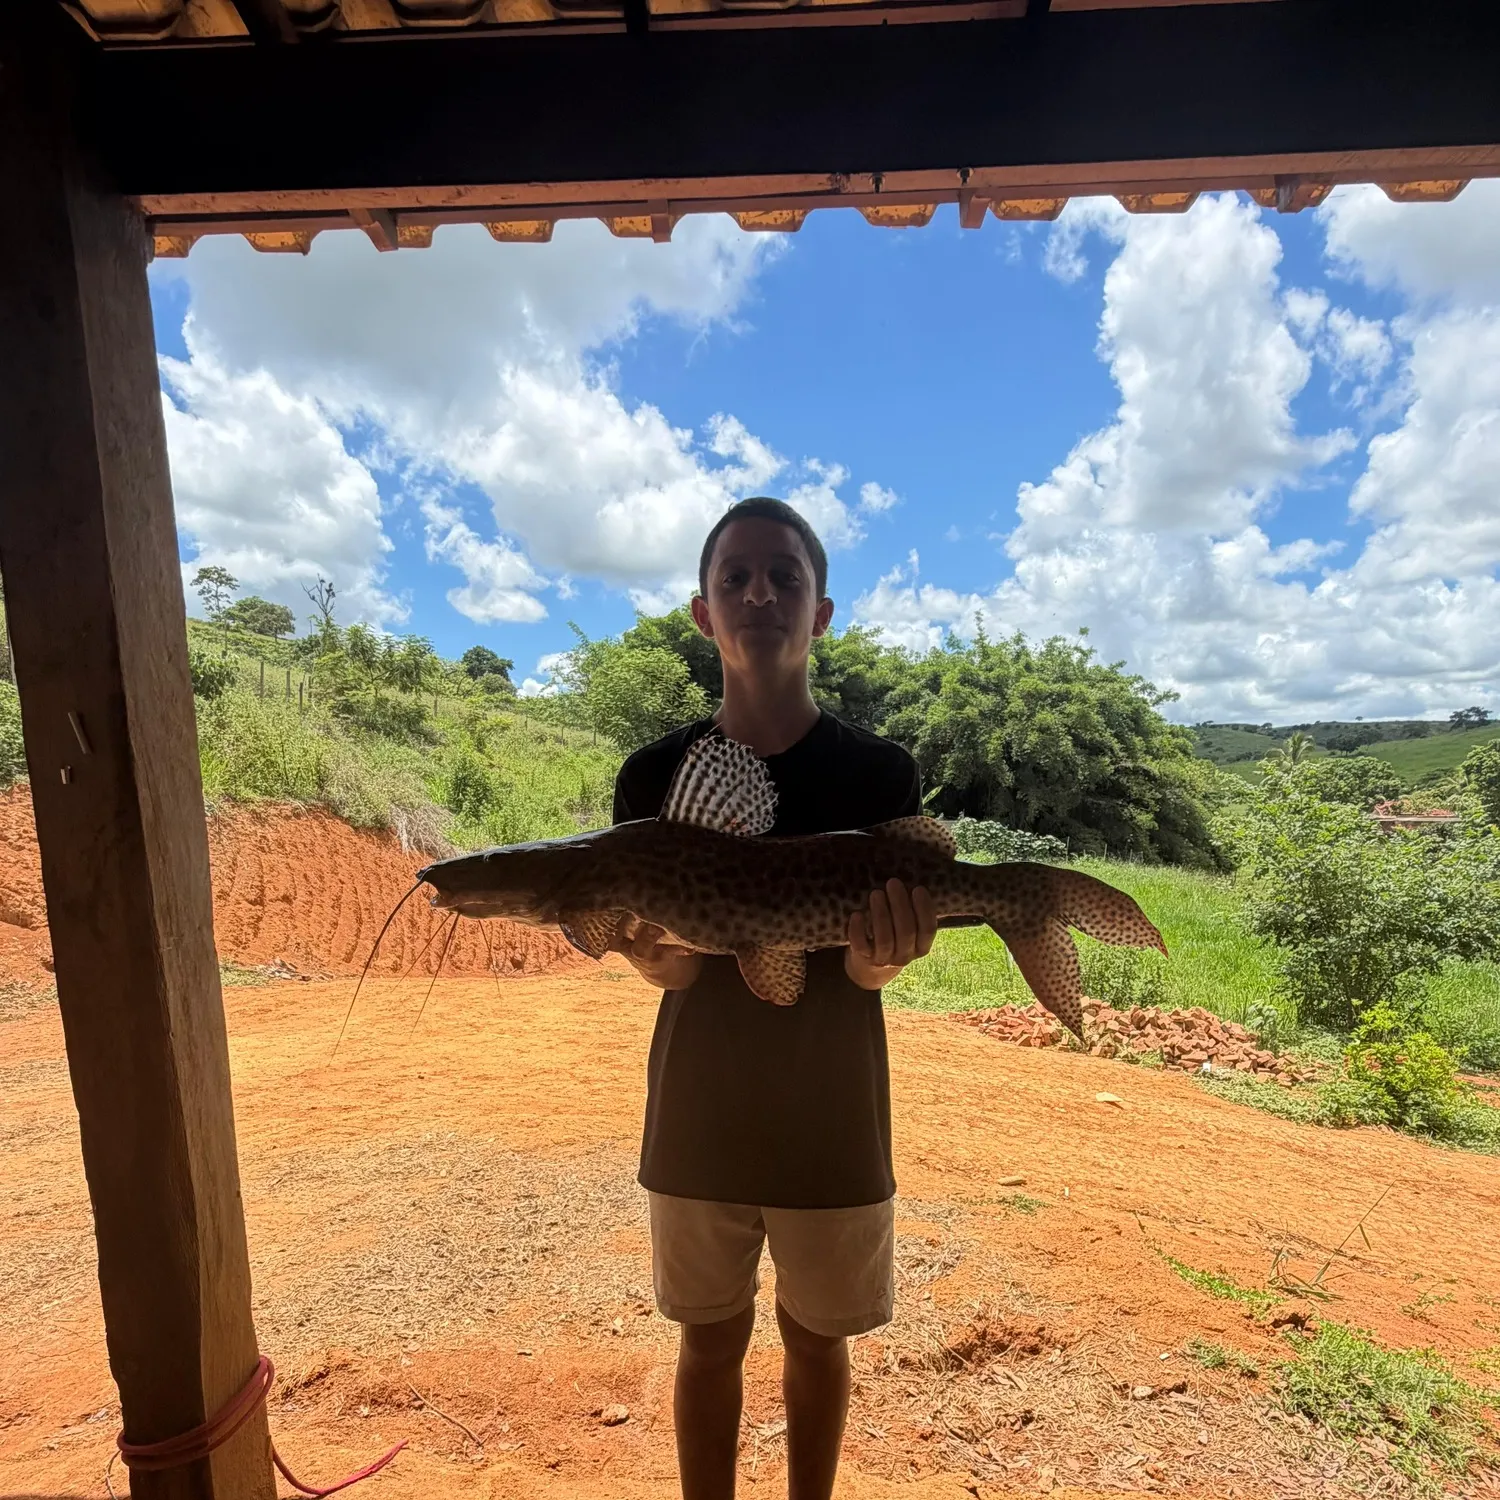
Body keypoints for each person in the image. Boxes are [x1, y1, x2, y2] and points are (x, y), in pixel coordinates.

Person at [610, 496, 937, 1500]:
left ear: (821, 611)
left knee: (816, 1345)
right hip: (698, 1107)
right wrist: (653, 959)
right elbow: (662, 965)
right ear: (704, 612)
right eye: (735, 577)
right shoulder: (652, 776)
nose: (760, 593)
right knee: (708, 1344)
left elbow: (869, 970)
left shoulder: (879, 772)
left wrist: (882, 962)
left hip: (832, 1109)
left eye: (784, 576)